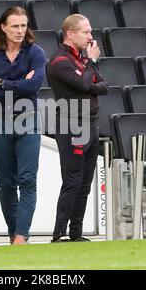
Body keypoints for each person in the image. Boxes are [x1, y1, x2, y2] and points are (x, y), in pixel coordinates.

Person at [0, 6, 46, 245]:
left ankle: (21, 236)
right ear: (3, 27)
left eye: (23, 25)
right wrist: (18, 84)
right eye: (15, 26)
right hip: (0, 119)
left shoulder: (36, 53)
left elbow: (34, 86)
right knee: (7, 181)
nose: (20, 30)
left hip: (29, 118)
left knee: (28, 180)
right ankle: (12, 233)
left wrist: (2, 83)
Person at [47, 14, 108, 242]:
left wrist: (88, 77)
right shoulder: (59, 60)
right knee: (73, 180)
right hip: (72, 124)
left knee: (84, 183)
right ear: (70, 34)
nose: (91, 37)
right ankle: (59, 233)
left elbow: (103, 86)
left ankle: (76, 233)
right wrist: (91, 65)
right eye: (86, 32)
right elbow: (85, 83)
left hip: (91, 123)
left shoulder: (81, 60)